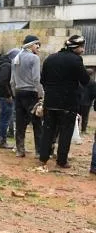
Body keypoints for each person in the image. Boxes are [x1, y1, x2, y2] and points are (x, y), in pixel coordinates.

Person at [39, 35, 91, 169]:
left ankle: (43, 157)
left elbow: (42, 80)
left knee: (48, 130)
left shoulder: (50, 58)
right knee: (65, 132)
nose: (83, 50)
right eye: (82, 47)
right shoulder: (76, 60)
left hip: (50, 101)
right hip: (68, 103)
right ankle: (61, 161)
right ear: (76, 47)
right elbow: (85, 80)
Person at [11, 35, 43, 158]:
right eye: (37, 44)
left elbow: (12, 81)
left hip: (19, 93)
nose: (38, 47)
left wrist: (15, 94)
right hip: (31, 93)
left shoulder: (15, 58)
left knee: (20, 123)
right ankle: (39, 152)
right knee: (37, 123)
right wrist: (41, 94)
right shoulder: (34, 58)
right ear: (30, 45)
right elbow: (36, 79)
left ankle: (20, 150)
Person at [0, 48, 20, 149]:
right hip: (5, 96)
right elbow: (3, 81)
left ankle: (1, 140)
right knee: (4, 119)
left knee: (3, 118)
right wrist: (9, 94)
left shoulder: (4, 64)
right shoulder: (7, 65)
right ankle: (2, 141)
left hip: (2, 95)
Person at [79, 69, 96, 133]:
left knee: (77, 115)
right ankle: (83, 130)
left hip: (79, 101)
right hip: (87, 102)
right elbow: (94, 93)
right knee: (85, 117)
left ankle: (76, 129)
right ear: (91, 74)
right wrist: (91, 99)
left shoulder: (80, 80)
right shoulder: (93, 82)